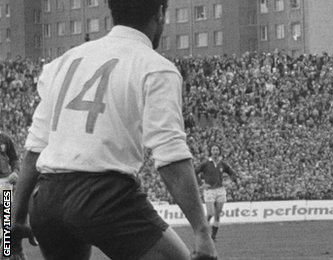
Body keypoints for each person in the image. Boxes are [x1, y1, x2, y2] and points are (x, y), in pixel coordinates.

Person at [11, 0, 217, 259]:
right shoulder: (156, 67)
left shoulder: (64, 62)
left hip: (47, 199)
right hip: (106, 196)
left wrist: (14, 226)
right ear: (161, 13)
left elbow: (34, 148)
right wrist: (202, 231)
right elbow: (170, 155)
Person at [196, 144, 239, 241]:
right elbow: (194, 172)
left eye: (216, 149)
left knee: (217, 215)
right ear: (211, 152)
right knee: (210, 213)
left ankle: (213, 236)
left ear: (219, 151)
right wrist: (201, 184)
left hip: (220, 190)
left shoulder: (222, 164)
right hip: (209, 191)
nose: (215, 151)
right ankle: (203, 230)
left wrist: (232, 182)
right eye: (213, 149)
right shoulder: (206, 163)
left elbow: (232, 173)